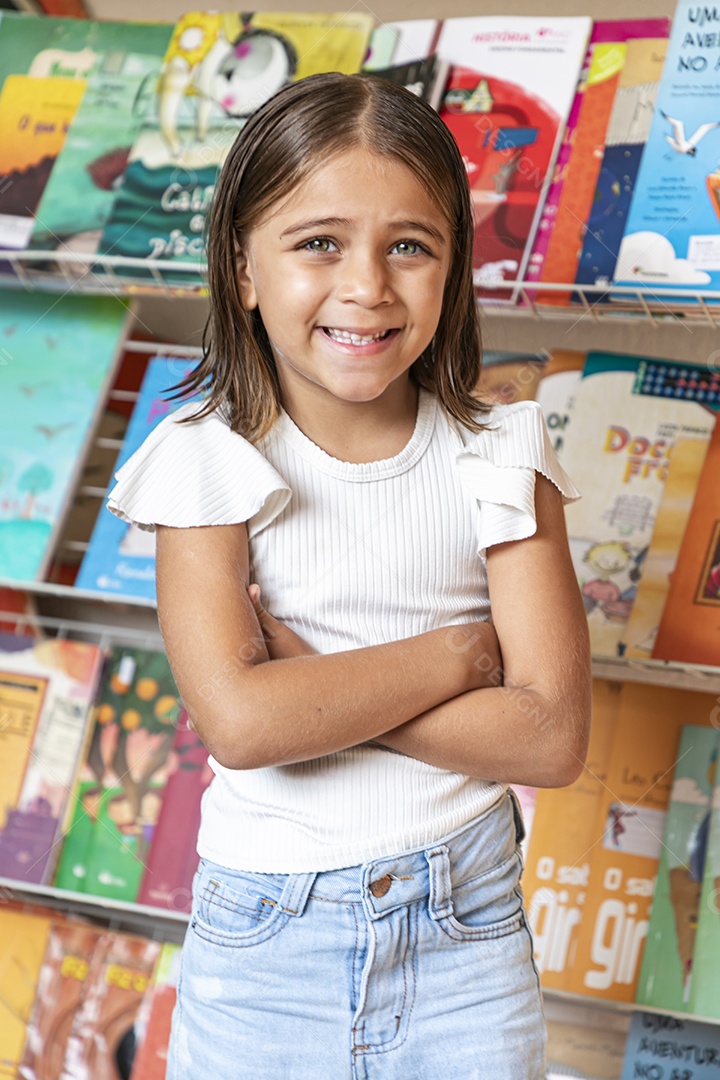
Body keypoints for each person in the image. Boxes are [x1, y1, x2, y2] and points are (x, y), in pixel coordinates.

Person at [108, 71, 591, 1080]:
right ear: (242, 268)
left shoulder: (503, 453)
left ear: (453, 272)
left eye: (409, 246)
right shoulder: (204, 461)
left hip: (467, 927)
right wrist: (458, 656)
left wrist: (317, 681)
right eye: (318, 242)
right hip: (266, 941)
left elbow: (548, 739)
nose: (368, 286)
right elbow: (244, 726)